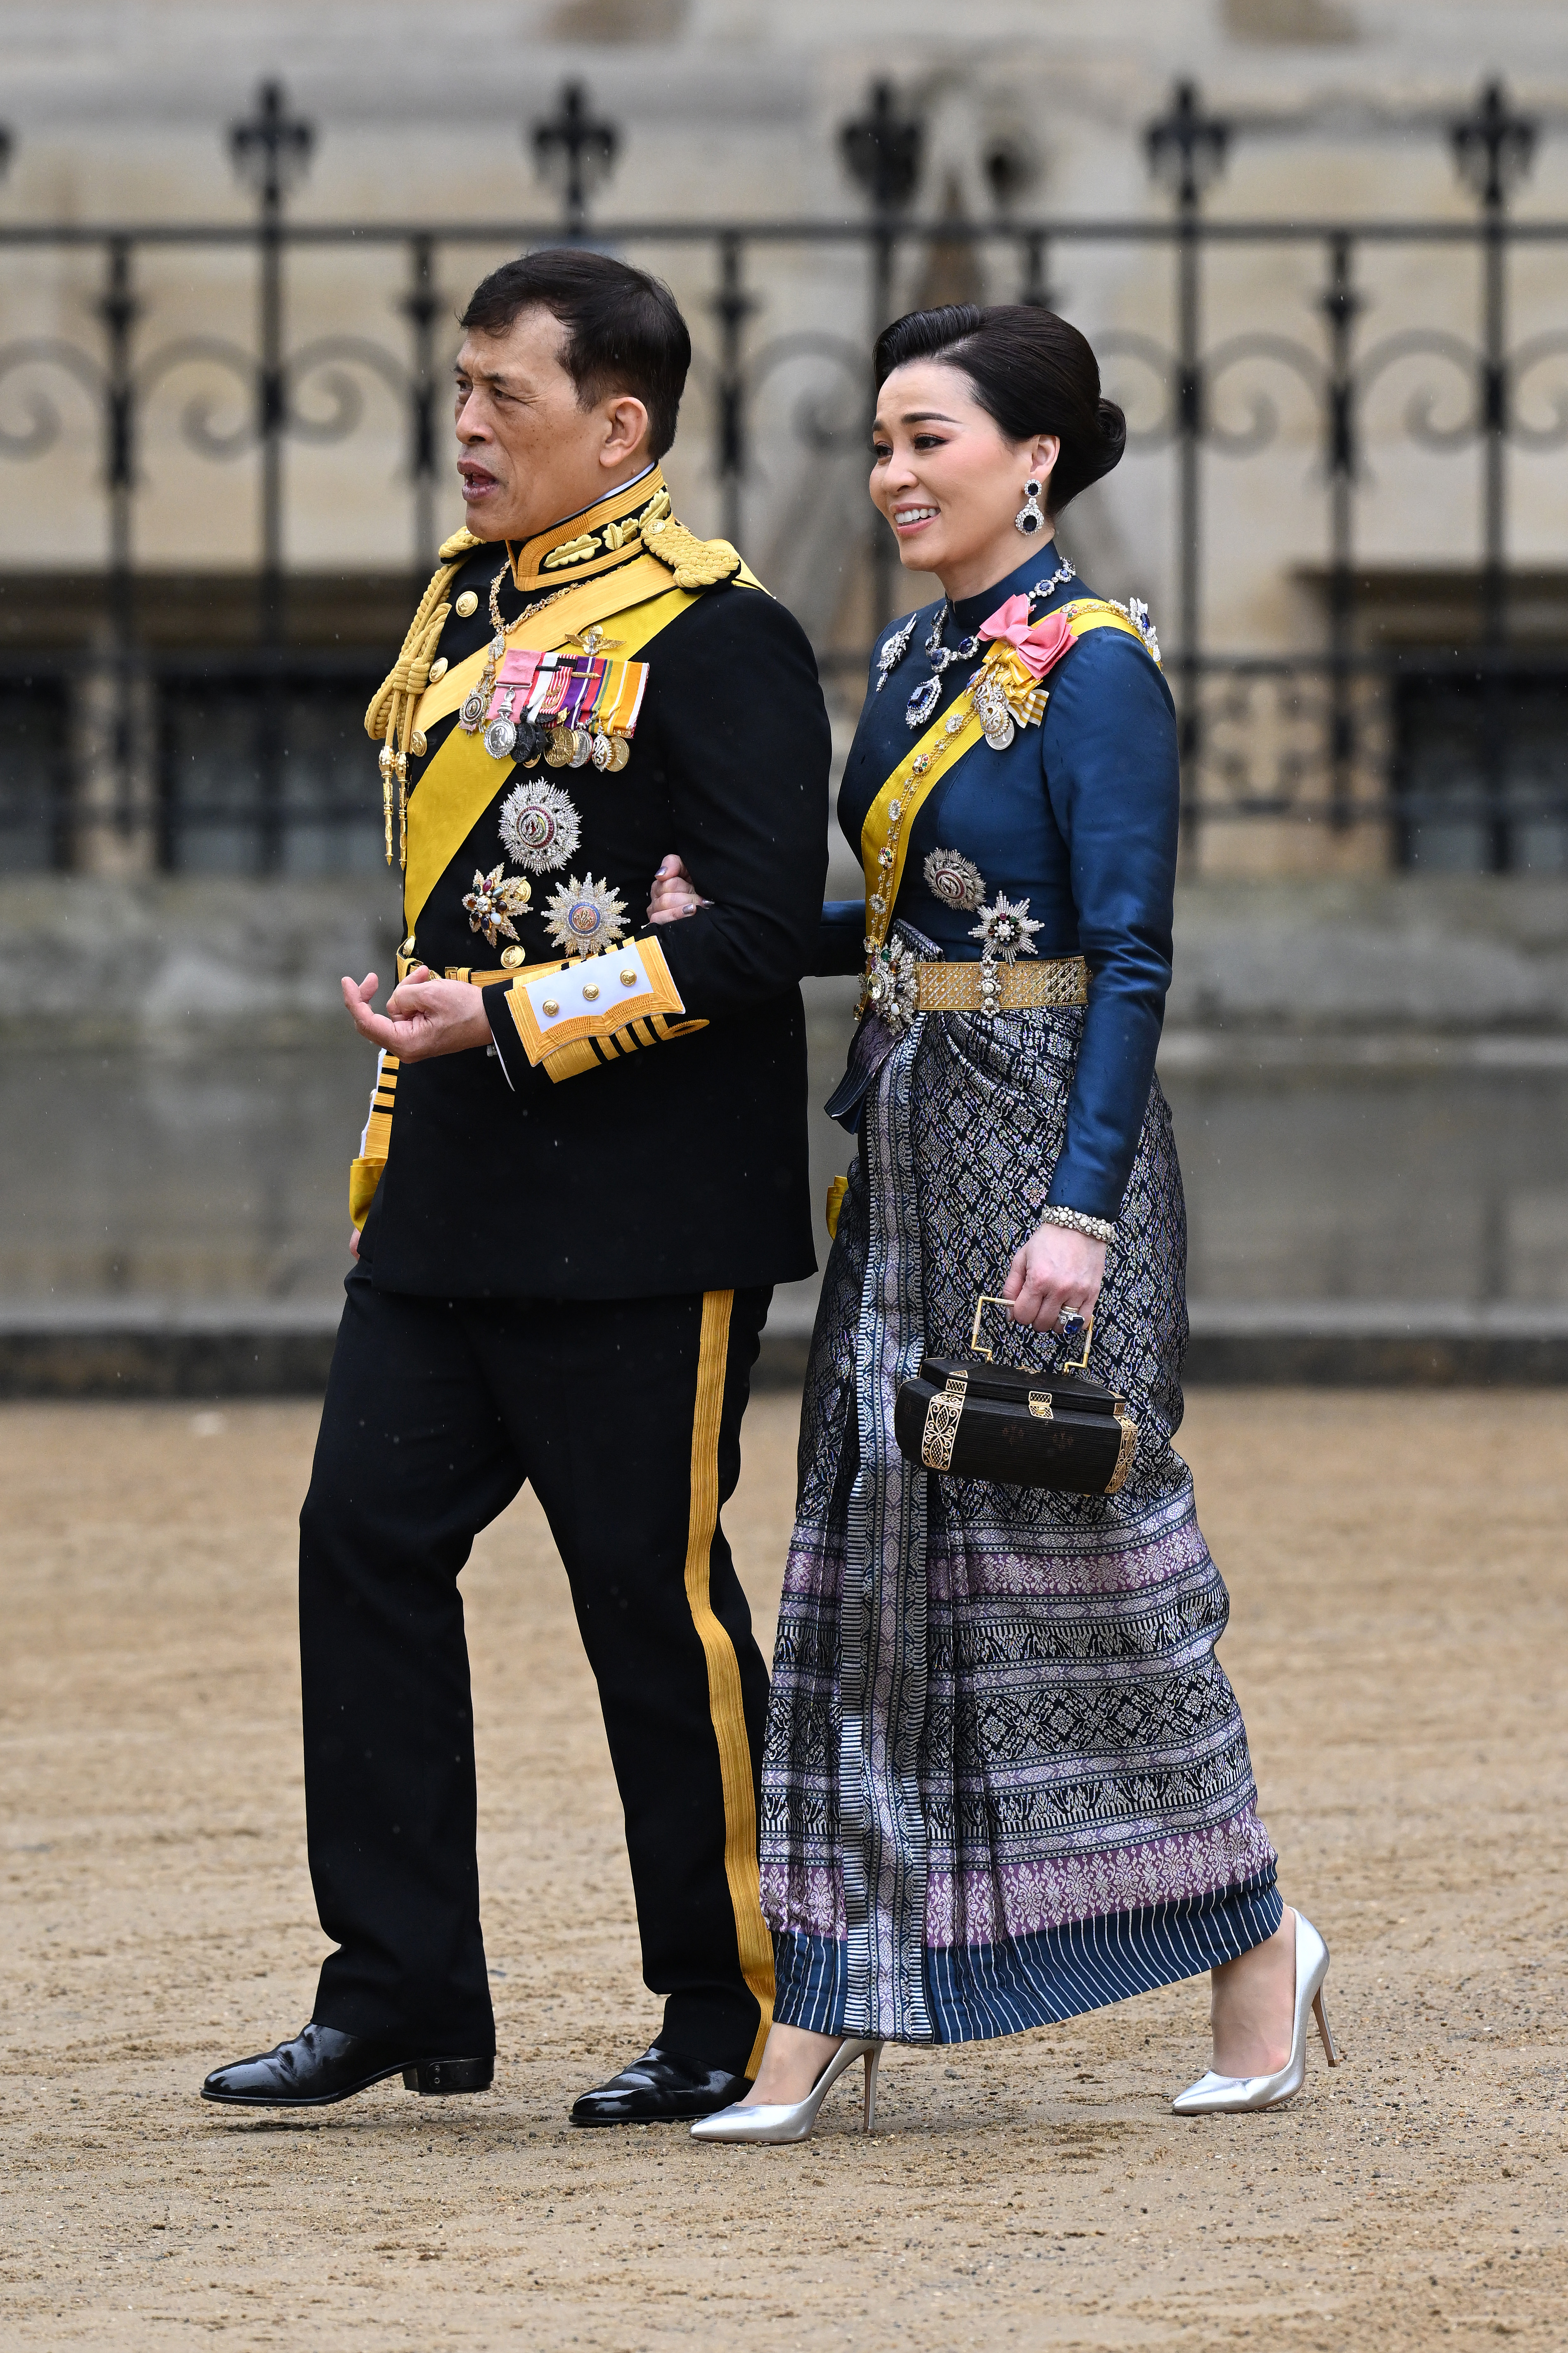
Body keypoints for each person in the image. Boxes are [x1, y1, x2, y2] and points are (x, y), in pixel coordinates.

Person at [651, 302, 1339, 2145]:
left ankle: (1255, 1942)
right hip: (901, 1148)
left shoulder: (1098, 664)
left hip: (1044, 1152)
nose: (889, 476)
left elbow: (1127, 956)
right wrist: (686, 926)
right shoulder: (899, 652)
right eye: (876, 442)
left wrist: (1080, 1220)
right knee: (873, 1564)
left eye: (925, 439)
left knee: (1089, 1573)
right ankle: (828, 2003)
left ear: (1033, 459)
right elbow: (895, 930)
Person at [199, 249, 830, 2125]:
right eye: (458, 391)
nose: (466, 429)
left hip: (642, 1209)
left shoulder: (720, 633)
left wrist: (521, 1016)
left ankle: (737, 2001)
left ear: (618, 425)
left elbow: (761, 936)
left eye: (507, 400)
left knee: (649, 1600)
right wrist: (440, 1027)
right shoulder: (466, 601)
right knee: (362, 1546)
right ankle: (402, 1988)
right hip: (452, 1191)